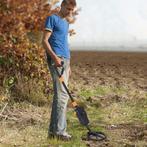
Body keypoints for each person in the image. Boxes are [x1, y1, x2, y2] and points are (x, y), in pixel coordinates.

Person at [42, 0, 77, 141]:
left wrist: (69, 66)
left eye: (71, 10)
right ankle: (59, 132)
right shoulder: (52, 19)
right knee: (62, 96)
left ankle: (53, 132)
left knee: (62, 96)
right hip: (57, 60)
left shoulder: (66, 22)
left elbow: (64, 43)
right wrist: (55, 58)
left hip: (65, 61)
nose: (69, 12)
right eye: (67, 9)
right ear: (61, 6)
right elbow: (44, 41)